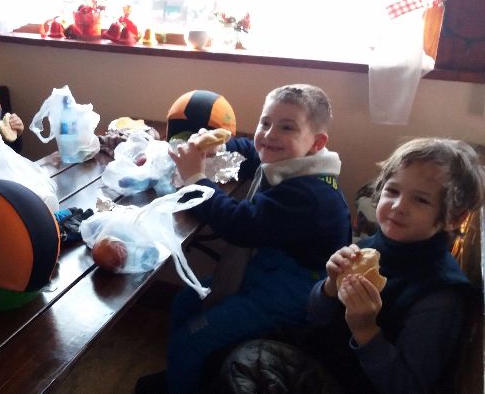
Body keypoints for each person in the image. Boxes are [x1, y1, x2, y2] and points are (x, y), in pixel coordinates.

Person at [147, 84, 352, 394]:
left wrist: (195, 178)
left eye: (286, 127)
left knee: (192, 339)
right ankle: (183, 376)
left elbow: (238, 225)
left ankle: (184, 377)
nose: (269, 135)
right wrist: (220, 146)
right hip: (269, 270)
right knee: (185, 301)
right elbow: (251, 149)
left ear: (316, 142)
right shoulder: (291, 161)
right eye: (265, 122)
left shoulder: (308, 195)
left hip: (297, 292)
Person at [303, 137, 485, 393]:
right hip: (323, 362)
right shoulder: (371, 247)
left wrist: (366, 330)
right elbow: (314, 317)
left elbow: (407, 386)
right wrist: (330, 287)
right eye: (392, 191)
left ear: (454, 218)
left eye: (420, 200)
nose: (398, 206)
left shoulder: (441, 296)